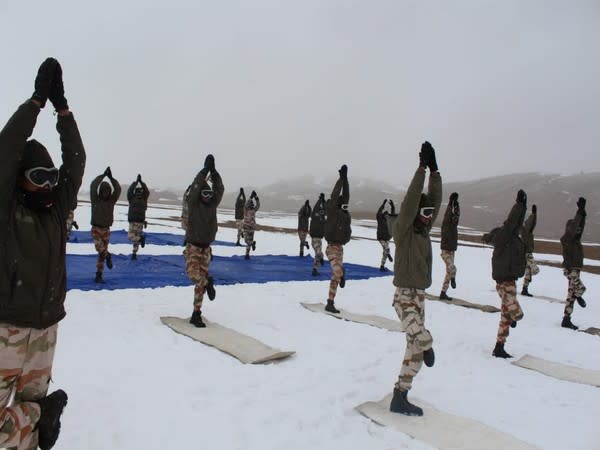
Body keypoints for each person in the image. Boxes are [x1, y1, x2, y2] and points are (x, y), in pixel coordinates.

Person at [0, 58, 85, 450]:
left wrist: (63, 110)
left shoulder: (56, 211)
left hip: (46, 329)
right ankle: (38, 417)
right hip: (6, 330)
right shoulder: (8, 211)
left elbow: (76, 161)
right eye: (39, 177)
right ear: (19, 180)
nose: (49, 185)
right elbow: (6, 149)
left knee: (29, 430)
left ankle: (37, 417)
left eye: (52, 177)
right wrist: (36, 103)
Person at [389, 142, 441, 417]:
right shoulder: (405, 232)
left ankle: (400, 395)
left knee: (415, 351)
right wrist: (421, 169)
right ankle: (429, 345)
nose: (428, 217)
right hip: (404, 297)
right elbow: (411, 201)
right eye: (425, 213)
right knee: (422, 339)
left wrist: (436, 171)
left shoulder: (423, 232)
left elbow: (435, 199)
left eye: (430, 215)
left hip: (420, 297)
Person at [482, 190, 527, 359]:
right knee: (514, 313)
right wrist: (519, 205)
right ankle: (515, 315)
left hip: (510, 280)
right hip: (504, 282)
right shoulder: (503, 236)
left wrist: (524, 207)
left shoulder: (510, 236)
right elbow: (511, 222)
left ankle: (499, 347)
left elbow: (516, 224)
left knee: (505, 317)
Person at [183, 155, 224, 327]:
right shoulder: (194, 204)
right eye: (204, 193)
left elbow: (219, 189)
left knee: (199, 285)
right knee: (194, 276)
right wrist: (204, 171)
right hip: (193, 247)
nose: (207, 196)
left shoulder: (212, 204)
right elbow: (195, 187)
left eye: (210, 193)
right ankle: (208, 283)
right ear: (199, 194)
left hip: (206, 249)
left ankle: (196, 313)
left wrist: (214, 173)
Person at [323, 165, 352, 313]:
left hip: (340, 247)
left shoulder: (344, 212)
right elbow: (335, 195)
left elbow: (346, 195)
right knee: (338, 271)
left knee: (335, 277)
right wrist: (340, 179)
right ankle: (342, 272)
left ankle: (330, 302)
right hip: (331, 247)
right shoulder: (333, 211)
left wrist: (346, 180)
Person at [90, 166, 121, 283]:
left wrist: (111, 178)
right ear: (100, 191)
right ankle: (108, 256)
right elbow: (93, 185)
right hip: (96, 228)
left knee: (101, 254)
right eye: (104, 191)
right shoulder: (95, 199)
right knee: (100, 249)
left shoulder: (111, 201)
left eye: (107, 191)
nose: (106, 193)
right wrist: (103, 176)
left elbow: (117, 189)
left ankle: (99, 274)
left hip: (106, 230)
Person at [560, 197, 587, 330]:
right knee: (581, 289)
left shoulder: (575, 240)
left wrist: (583, 214)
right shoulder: (567, 238)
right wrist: (579, 212)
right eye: (575, 229)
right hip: (571, 270)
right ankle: (579, 296)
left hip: (574, 269)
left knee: (570, 295)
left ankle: (566, 319)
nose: (577, 232)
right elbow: (575, 226)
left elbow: (580, 227)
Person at [439, 192, 460, 300]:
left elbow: (455, 216)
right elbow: (449, 214)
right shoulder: (446, 224)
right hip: (445, 251)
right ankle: (453, 278)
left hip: (451, 249)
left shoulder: (453, 226)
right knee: (452, 268)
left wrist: (456, 205)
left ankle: (443, 292)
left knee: (449, 271)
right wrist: (451, 203)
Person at [127, 174, 150, 260]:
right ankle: (134, 253)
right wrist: (141, 182)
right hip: (140, 221)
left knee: (131, 237)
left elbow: (129, 191)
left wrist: (136, 182)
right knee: (135, 238)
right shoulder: (144, 199)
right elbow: (147, 192)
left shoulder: (132, 198)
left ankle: (141, 239)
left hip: (133, 221)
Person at [520, 204, 539, 297]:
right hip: (527, 254)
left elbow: (532, 223)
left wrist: (534, 215)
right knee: (535, 270)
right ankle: (523, 288)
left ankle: (524, 289)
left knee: (528, 272)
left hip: (526, 254)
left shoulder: (525, 231)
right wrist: (534, 214)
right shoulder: (526, 231)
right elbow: (531, 223)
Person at [309, 193, 327, 276]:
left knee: (318, 253)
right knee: (318, 253)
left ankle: (321, 260)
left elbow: (326, 209)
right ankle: (315, 269)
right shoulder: (314, 216)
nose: (321, 213)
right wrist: (320, 200)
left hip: (318, 239)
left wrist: (323, 201)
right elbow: (316, 208)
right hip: (315, 238)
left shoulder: (323, 220)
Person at [376, 198, 395, 271]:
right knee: (387, 249)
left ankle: (382, 266)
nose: (387, 217)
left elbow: (393, 213)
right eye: (386, 216)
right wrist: (383, 204)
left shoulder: (389, 220)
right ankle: (389, 254)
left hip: (387, 238)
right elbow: (379, 212)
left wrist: (392, 205)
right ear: (384, 215)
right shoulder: (380, 219)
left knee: (385, 252)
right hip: (381, 238)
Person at [243, 191, 260, 259]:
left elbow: (258, 205)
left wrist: (252, 197)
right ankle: (248, 252)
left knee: (247, 241)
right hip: (250, 227)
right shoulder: (251, 210)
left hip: (247, 228)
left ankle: (247, 254)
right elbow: (258, 205)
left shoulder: (247, 210)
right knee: (248, 241)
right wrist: (255, 197)